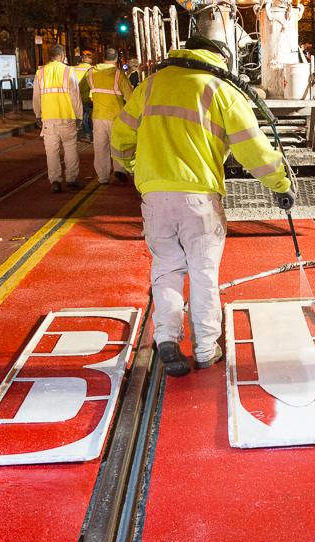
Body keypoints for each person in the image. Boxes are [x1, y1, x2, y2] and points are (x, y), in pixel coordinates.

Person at [111, 36, 295, 376]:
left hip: (154, 197)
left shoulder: (149, 86)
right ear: (217, 59)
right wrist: (281, 185)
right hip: (199, 198)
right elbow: (252, 150)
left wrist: (138, 170)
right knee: (203, 273)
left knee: (166, 268)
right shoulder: (220, 90)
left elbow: (120, 139)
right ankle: (206, 349)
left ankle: (166, 337)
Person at [32, 44, 83, 193]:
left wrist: (37, 114)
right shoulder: (68, 71)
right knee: (70, 148)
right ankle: (71, 179)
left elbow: (36, 96)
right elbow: (75, 96)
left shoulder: (40, 73)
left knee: (52, 152)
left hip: (48, 119)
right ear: (61, 56)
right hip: (67, 117)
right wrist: (79, 115)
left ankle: (55, 181)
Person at [86, 48, 132, 184]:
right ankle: (119, 170)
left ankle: (102, 177)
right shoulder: (119, 74)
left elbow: (87, 92)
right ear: (116, 59)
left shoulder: (91, 73)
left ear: (103, 57)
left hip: (98, 115)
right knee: (118, 145)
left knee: (100, 147)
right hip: (116, 116)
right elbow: (130, 97)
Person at [74, 51, 94, 141]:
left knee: (78, 116)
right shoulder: (92, 69)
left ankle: (78, 133)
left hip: (75, 97)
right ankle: (88, 134)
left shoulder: (73, 69)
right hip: (86, 97)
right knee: (86, 117)